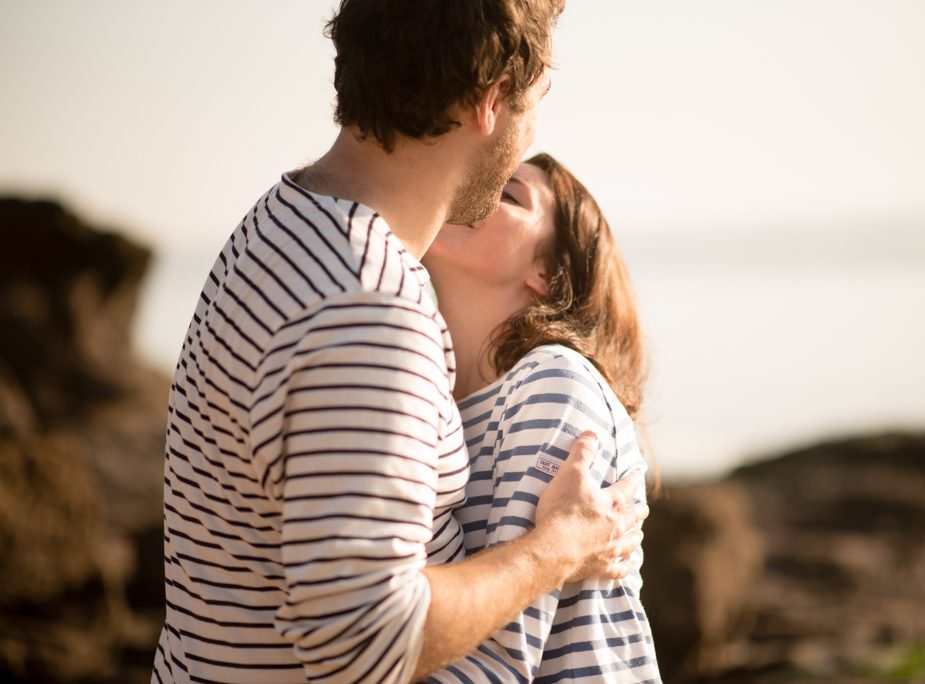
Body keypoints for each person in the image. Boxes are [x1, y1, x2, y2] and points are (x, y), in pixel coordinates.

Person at [152, 3, 649, 684]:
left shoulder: (278, 227)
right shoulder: (371, 305)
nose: (532, 129)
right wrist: (555, 550)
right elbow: (364, 643)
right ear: (491, 100)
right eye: (536, 100)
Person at [422, 153, 661, 682]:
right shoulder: (433, 397)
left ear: (547, 274)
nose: (475, 192)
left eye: (507, 195)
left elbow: (503, 652)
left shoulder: (552, 381)